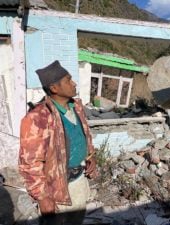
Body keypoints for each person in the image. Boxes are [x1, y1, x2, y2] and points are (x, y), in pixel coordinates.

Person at [19, 60, 97, 225]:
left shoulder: (76, 107)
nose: (74, 83)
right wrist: (42, 198)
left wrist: (90, 155)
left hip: (78, 181)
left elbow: (84, 135)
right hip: (55, 190)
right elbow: (30, 164)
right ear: (54, 88)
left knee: (76, 220)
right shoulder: (37, 118)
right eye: (69, 80)